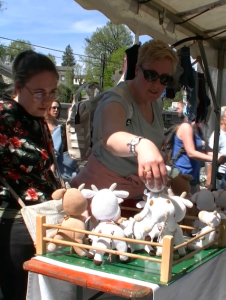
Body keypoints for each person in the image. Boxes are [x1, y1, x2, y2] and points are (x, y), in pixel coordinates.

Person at [71, 39, 178, 209]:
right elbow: (111, 136)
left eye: (165, 79)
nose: (157, 84)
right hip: (100, 200)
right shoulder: (117, 100)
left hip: (136, 199)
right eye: (151, 75)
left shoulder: (156, 103)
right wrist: (142, 145)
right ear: (137, 69)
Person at [0, 50, 60, 300]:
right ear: (18, 86)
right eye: (39, 92)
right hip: (15, 222)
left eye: (53, 91)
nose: (47, 100)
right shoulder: (4, 116)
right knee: (18, 293)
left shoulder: (36, 118)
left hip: (43, 219)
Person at [170, 104, 226, 193]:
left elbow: (208, 151)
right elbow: (191, 152)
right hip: (181, 176)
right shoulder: (186, 127)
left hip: (193, 178)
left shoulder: (198, 130)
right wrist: (215, 159)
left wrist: (223, 156)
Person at [206, 106, 226, 189]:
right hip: (220, 177)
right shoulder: (217, 135)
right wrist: (209, 178)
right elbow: (209, 157)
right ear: (221, 120)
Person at [45, 101, 78, 182]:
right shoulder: (44, 124)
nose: (56, 110)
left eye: (58, 108)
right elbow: (54, 152)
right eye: (54, 108)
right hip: (59, 170)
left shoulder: (59, 126)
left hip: (70, 171)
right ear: (48, 109)